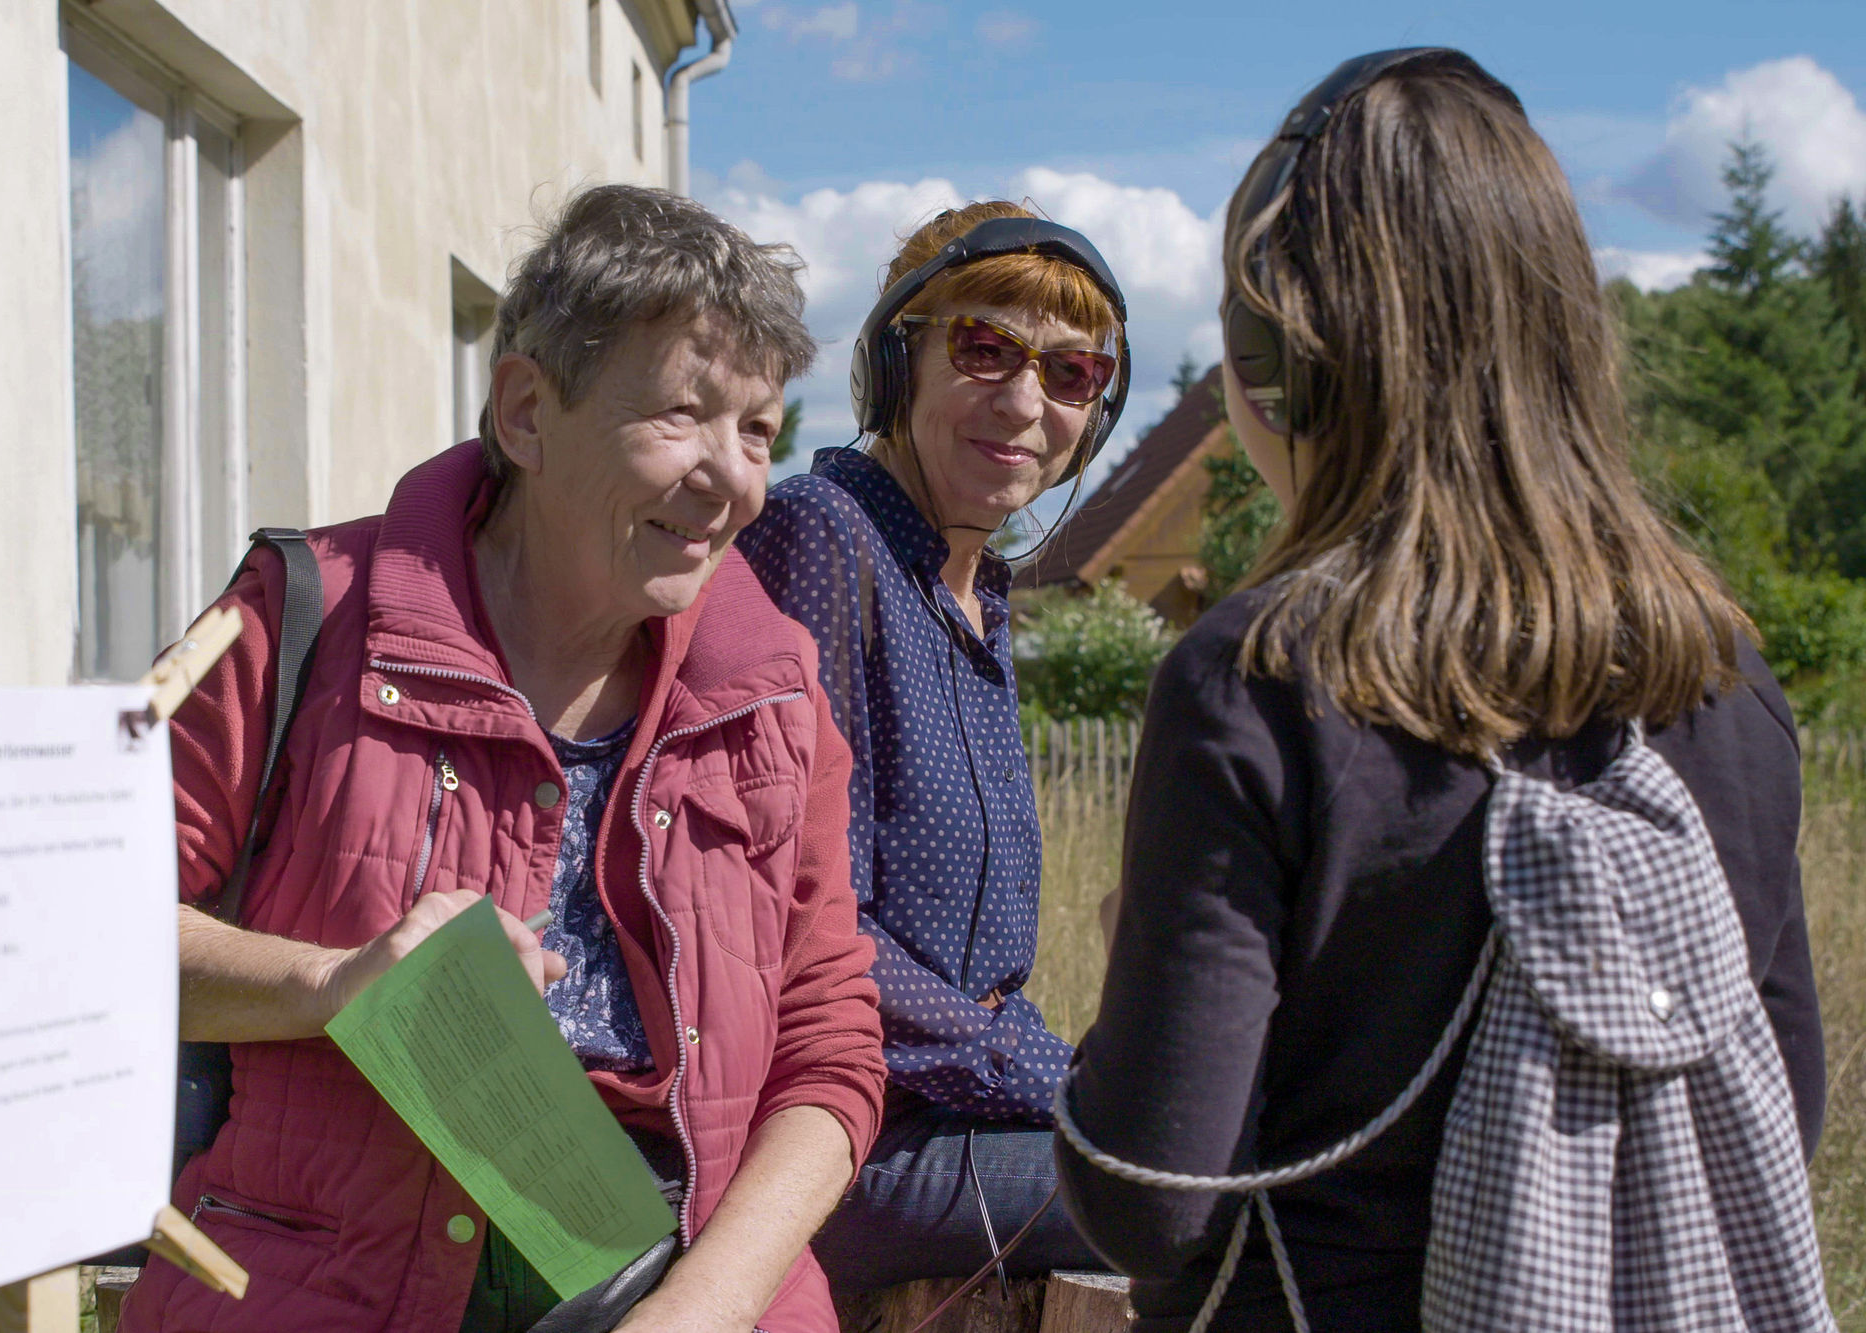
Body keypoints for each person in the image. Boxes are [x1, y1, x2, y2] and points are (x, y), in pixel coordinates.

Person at [1054, 49, 1829, 1332]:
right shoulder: (1726, 677)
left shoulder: (1257, 679)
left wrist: (1125, 983)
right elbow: (1771, 1118)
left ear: (1278, 354)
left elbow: (1151, 1199)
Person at [119, 184, 886, 1333]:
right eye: (683, 413)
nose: (733, 477)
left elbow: (830, 1047)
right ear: (526, 410)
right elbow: (77, 940)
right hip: (328, 1286)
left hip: (689, 1279)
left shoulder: (775, 693)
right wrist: (332, 985)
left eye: (757, 430)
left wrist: (706, 1305)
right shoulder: (298, 622)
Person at [736, 202, 1128, 1289]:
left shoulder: (977, 601)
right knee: (1200, 1204)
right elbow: (814, 922)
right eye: (984, 348)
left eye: (1072, 373)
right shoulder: (822, 534)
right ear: (894, 362)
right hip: (835, 1142)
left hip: (948, 1123)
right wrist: (1058, 1080)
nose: (1025, 402)